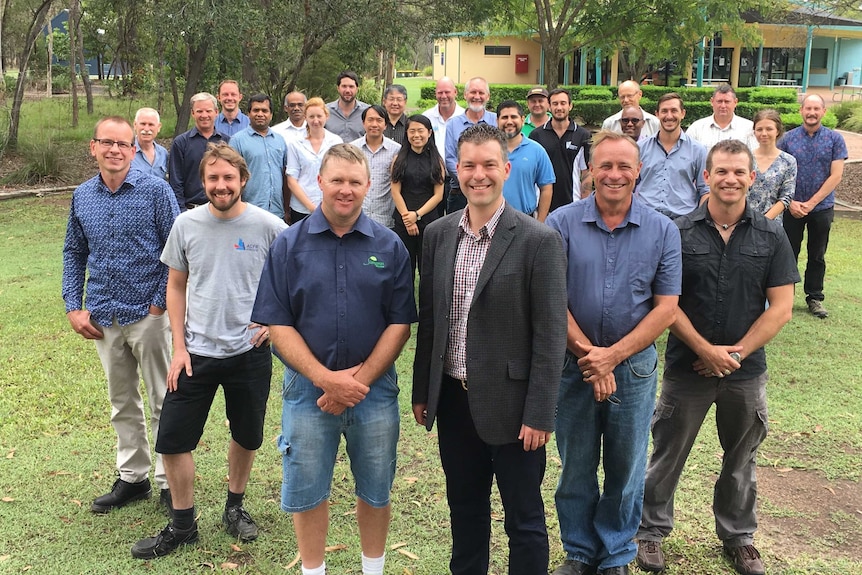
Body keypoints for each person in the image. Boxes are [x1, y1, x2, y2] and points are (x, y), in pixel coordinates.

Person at [251, 143, 417, 575]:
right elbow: (277, 324)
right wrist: (327, 379)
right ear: (320, 182)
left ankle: (373, 569)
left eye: (355, 182)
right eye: (337, 180)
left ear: (368, 186)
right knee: (308, 491)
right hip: (308, 390)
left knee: (376, 488)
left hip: (374, 391)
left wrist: (355, 383)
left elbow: (399, 324)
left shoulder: (390, 246)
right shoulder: (289, 245)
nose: (346, 190)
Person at [636, 139, 800, 575]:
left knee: (741, 457)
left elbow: (781, 307)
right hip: (685, 369)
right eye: (721, 171)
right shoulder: (678, 231)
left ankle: (738, 536)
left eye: (738, 172)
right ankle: (650, 532)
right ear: (705, 177)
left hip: (745, 372)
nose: (730, 179)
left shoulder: (771, 236)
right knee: (667, 452)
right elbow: (664, 303)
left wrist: (735, 354)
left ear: (752, 177)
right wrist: (706, 351)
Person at [413, 123, 567, 575]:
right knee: (466, 513)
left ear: (506, 168)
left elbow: (551, 334)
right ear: (455, 170)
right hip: (454, 402)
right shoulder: (438, 235)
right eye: (469, 165)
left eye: (488, 165)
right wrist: (424, 390)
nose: (478, 175)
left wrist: (539, 412)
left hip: (515, 408)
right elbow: (431, 321)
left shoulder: (538, 240)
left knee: (524, 520)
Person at [132, 143, 287, 559]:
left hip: (248, 353)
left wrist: (273, 323)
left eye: (228, 178)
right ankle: (183, 524)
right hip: (194, 353)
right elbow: (176, 285)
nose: (221, 186)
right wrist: (178, 346)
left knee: (246, 435)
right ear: (204, 182)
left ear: (243, 181)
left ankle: (234, 507)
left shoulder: (270, 226)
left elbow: (292, 281)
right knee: (172, 440)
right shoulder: (186, 224)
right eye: (213, 178)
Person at [546, 131, 681, 575]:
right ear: (590, 171)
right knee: (576, 465)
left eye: (624, 166)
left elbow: (666, 309)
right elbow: (551, 300)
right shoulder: (561, 224)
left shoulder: (662, 229)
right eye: (605, 165)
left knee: (626, 467)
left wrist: (613, 356)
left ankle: (617, 553)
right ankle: (581, 552)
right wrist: (592, 356)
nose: (614, 174)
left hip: (635, 370)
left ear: (638, 170)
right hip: (574, 366)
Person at [62, 116, 179, 514]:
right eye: (106, 143)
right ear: (93, 147)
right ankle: (133, 478)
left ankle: (168, 480)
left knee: (163, 398)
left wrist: (159, 303)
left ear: (134, 149)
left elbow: (176, 251)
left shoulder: (156, 191)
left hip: (148, 315)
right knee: (122, 400)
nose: (115, 150)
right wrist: (73, 306)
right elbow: (74, 252)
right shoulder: (82, 195)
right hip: (102, 316)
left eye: (123, 144)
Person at [778, 94, 847, 319]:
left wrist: (811, 203)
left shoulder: (835, 140)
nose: (812, 113)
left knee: (817, 254)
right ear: (801, 110)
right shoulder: (787, 140)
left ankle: (814, 297)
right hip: (791, 206)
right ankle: (784, 299)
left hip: (822, 207)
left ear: (823, 112)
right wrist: (792, 202)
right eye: (808, 108)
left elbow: (836, 175)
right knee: (789, 253)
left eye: (816, 109)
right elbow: (781, 172)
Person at [637, 92, 708, 218]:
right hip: (645, 218)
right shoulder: (640, 148)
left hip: (683, 221)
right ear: (657, 114)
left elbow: (705, 190)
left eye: (674, 111)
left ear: (683, 114)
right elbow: (630, 184)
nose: (669, 116)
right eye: (664, 111)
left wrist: (697, 221)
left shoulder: (698, 150)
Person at [390, 113, 445, 275]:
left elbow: (438, 195)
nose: (416, 135)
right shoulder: (399, 160)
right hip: (403, 221)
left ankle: (427, 301)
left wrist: (417, 215)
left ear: (429, 133)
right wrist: (408, 219)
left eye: (420, 131)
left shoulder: (437, 161)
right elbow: (395, 191)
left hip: (428, 222)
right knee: (403, 269)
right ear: (406, 134)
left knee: (427, 270)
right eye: (412, 131)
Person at [529, 88, 591, 212]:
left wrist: (586, 204)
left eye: (563, 103)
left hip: (573, 204)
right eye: (555, 103)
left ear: (570, 106)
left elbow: (587, 173)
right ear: (549, 106)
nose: (559, 107)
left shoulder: (582, 135)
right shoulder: (536, 135)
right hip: (542, 206)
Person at [229, 93, 290, 220]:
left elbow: (285, 175)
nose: (260, 114)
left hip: (277, 213)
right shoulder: (237, 141)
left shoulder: (279, 140)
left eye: (265, 110)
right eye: (256, 110)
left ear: (271, 114)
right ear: (248, 114)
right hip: (249, 213)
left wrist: (287, 210)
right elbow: (232, 177)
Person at [286, 97, 343, 223]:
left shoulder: (336, 142)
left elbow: (340, 175)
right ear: (305, 117)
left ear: (326, 116)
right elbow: (291, 180)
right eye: (311, 117)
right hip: (301, 209)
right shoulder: (295, 143)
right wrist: (311, 207)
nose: (315, 121)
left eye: (319, 116)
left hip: (330, 207)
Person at [444, 77, 497, 213]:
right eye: (473, 92)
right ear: (465, 95)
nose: (477, 97)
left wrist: (483, 182)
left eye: (481, 93)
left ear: (488, 96)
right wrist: (467, 181)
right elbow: (450, 159)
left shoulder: (496, 121)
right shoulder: (453, 124)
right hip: (459, 193)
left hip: (490, 190)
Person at [497, 100, 555, 221]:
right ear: (497, 121)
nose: (509, 121)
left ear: (522, 120)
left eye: (514, 117)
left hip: (525, 219)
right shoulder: (489, 150)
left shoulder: (537, 150)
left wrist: (540, 222)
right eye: (504, 117)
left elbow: (546, 188)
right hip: (492, 219)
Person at [169, 92, 229, 210]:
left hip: (222, 210)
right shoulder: (181, 143)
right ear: (192, 113)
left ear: (216, 112)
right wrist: (181, 211)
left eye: (208, 111)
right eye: (199, 111)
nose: (204, 115)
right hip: (191, 210)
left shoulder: (227, 142)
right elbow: (176, 182)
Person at [351, 105, 401, 227]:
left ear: (385, 125)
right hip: (356, 216)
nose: (374, 124)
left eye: (379, 120)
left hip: (385, 218)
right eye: (370, 120)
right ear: (363, 123)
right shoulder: (352, 149)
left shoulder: (396, 150)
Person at [423, 76, 464, 217]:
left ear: (455, 92)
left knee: (457, 221)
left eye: (447, 92)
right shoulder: (427, 117)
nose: (443, 96)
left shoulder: (465, 117)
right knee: (434, 224)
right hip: (431, 181)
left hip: (457, 182)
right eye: (440, 93)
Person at [750, 109, 796, 220]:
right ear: (754, 132)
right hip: (745, 222)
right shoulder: (745, 158)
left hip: (772, 224)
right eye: (759, 129)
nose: (764, 133)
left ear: (777, 131)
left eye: (769, 129)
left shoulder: (788, 161)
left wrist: (764, 221)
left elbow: (786, 197)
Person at [686, 84, 756, 150]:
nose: (723, 106)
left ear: (735, 102)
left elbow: (756, 157)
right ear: (712, 101)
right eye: (719, 101)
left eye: (727, 102)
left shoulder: (748, 128)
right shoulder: (697, 128)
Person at [326, 70, 369, 141]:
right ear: (338, 88)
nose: (347, 90)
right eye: (344, 86)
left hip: (358, 152)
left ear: (357, 89)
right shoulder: (325, 111)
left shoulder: (367, 112)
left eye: (351, 87)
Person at [132, 107, 168, 180]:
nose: (146, 129)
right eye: (143, 124)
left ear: (158, 127)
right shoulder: (126, 152)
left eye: (151, 125)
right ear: (135, 125)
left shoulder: (163, 154)